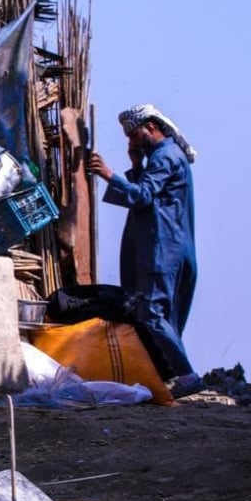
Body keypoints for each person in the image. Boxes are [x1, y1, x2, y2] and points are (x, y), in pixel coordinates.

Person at [88, 104, 203, 399]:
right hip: (171, 245)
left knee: (151, 310)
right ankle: (171, 372)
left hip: (163, 246)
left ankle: (186, 374)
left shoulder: (165, 156)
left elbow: (142, 195)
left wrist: (109, 175)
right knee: (164, 313)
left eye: (134, 135)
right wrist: (135, 165)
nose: (131, 141)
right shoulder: (164, 157)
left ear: (151, 127)